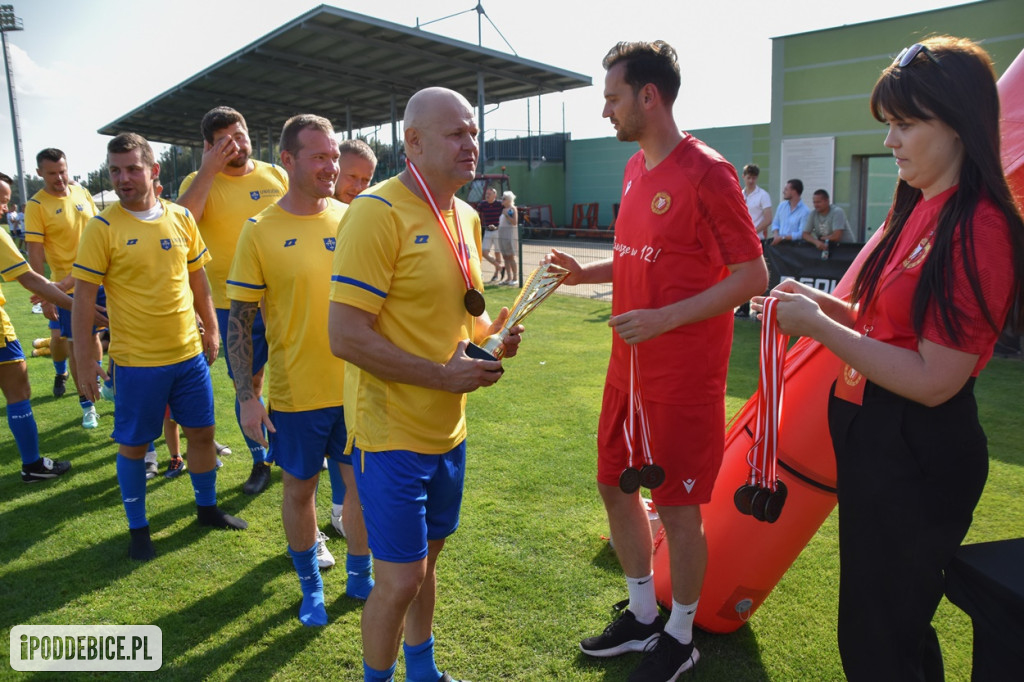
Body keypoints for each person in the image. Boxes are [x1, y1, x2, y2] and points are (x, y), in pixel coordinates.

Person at [751, 36, 1024, 680]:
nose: (891, 141)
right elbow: (887, 328)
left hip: (917, 448)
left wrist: (818, 323)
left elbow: (934, 379)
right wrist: (819, 311)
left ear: (958, 124)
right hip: (877, 437)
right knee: (879, 628)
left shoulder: (979, 225)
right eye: (889, 125)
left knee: (881, 637)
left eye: (905, 124)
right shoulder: (917, 208)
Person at [548, 41, 766, 680]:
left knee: (676, 506)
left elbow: (751, 275)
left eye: (613, 97)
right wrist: (582, 271)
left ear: (649, 96)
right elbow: (641, 258)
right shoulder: (635, 169)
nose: (605, 110)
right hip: (628, 372)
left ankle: (680, 632)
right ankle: (643, 612)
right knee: (614, 488)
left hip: (682, 380)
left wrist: (665, 319)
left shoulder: (708, 172)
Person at [328, 86, 523, 682]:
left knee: (427, 562)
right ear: (413, 142)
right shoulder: (378, 213)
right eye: (456, 133)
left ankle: (424, 672)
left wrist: (494, 335)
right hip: (391, 436)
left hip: (448, 430)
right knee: (399, 581)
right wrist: (442, 376)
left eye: (473, 131)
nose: (471, 144)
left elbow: (461, 319)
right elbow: (346, 336)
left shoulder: (463, 214)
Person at [227, 114, 374, 626]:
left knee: (358, 488)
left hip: (359, 386)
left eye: (334, 156)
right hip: (296, 392)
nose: (331, 166)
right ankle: (310, 584)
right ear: (287, 160)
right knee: (299, 489)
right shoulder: (261, 230)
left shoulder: (355, 217)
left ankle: (361, 575)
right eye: (319, 156)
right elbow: (241, 321)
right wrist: (246, 395)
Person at [72, 132, 247, 562]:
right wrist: (84, 358)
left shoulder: (181, 217)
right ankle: (139, 531)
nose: (122, 178)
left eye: (132, 168)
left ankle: (206, 509)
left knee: (202, 434)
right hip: (136, 362)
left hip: (188, 357)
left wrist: (211, 328)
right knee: (134, 446)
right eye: (115, 170)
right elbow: (81, 299)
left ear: (153, 170)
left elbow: (198, 279)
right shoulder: (103, 228)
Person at [178, 106, 288, 496]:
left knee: (295, 375)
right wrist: (209, 170)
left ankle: (296, 446)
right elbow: (181, 225)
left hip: (287, 299)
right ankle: (261, 461)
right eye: (224, 141)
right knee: (250, 383)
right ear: (208, 146)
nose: (236, 146)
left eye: (240, 135)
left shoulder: (276, 174)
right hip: (232, 303)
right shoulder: (198, 180)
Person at [0, 172, 105, 482]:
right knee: (19, 392)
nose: (4, 209)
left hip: (85, 282)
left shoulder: (82, 193)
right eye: (1, 201)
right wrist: (77, 305)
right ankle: (32, 465)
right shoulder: (20, 219)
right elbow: (30, 277)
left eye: (6, 202)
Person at [24, 148, 102, 422]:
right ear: (39, 174)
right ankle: (86, 404)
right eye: (52, 173)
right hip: (66, 288)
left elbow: (99, 231)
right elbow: (35, 252)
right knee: (73, 341)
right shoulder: (36, 205)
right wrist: (44, 294)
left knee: (97, 337)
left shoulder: (82, 193)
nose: (59, 178)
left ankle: (101, 383)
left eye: (63, 171)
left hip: (101, 278)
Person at [328, 138, 378, 538]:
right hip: (313, 368)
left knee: (350, 459)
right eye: (351, 176)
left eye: (367, 179)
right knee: (305, 471)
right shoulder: (316, 217)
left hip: (357, 368)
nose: (357, 186)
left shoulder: (372, 221)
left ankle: (342, 516)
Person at [736, 163, 773, 317]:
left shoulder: (762, 195)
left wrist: (751, 231)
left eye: (754, 177)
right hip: (740, 239)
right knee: (742, 274)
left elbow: (768, 218)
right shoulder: (739, 193)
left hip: (757, 239)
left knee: (759, 275)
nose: (751, 180)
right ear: (743, 177)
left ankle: (761, 309)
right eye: (749, 177)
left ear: (757, 178)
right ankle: (743, 307)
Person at [334, 139, 378, 204]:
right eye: (352, 176)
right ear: (335, 171)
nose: (358, 188)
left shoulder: (371, 211)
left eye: (366, 180)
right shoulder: (315, 210)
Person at [475, 186, 504, 282]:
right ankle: (500, 266)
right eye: (486, 194)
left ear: (494, 195)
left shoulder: (500, 204)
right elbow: (476, 214)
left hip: (498, 231)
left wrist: (498, 227)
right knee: (484, 252)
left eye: (489, 194)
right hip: (487, 231)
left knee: (497, 253)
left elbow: (506, 213)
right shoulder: (483, 204)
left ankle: (496, 275)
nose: (487, 196)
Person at [768, 178, 810, 245]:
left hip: (794, 247)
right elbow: (775, 224)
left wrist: (783, 238)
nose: (783, 192)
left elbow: (802, 233)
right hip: (779, 245)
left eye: (786, 189)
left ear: (794, 191)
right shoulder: (782, 206)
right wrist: (776, 235)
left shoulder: (805, 211)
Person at [497, 190, 519, 286]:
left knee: (511, 256)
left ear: (509, 200)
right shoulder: (503, 210)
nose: (502, 200)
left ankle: (515, 278)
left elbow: (514, 222)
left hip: (509, 235)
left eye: (504, 198)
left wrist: (506, 215)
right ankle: (508, 278)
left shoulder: (512, 209)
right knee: (505, 257)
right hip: (502, 235)